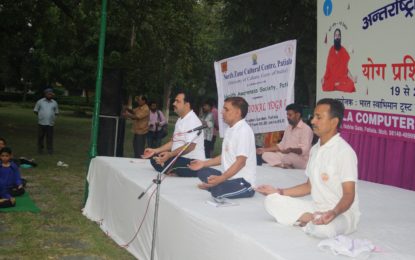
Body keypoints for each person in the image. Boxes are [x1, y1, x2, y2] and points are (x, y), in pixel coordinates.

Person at [256, 98, 360, 238]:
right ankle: (311, 218)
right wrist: (278, 191)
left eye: (319, 117)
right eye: (313, 116)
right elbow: (308, 186)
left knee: (324, 230)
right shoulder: (315, 149)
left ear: (334, 122)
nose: (312, 121)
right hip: (316, 207)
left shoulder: (344, 152)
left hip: (341, 214)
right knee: (271, 200)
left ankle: (309, 220)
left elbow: (349, 195)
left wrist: (333, 213)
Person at [189, 97, 256, 199]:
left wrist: (222, 178)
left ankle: (215, 186)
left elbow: (241, 162)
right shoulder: (230, 129)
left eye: (226, 109)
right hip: (227, 177)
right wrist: (203, 163)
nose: (222, 112)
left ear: (238, 112)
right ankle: (217, 184)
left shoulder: (243, 131)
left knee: (217, 191)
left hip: (243, 182)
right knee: (202, 171)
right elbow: (224, 156)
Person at [142, 91, 205, 177]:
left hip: (192, 161)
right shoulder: (180, 120)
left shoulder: (193, 120)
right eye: (175, 101)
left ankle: (173, 169)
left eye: (177, 101)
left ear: (187, 105)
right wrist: (155, 150)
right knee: (155, 158)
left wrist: (170, 155)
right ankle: (171, 169)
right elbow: (173, 142)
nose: (174, 103)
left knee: (167, 161)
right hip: (178, 158)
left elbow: (190, 146)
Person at [257, 104, 313, 169]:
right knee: (265, 154)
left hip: (300, 159)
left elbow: (304, 150)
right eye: (287, 115)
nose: (288, 117)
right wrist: (264, 149)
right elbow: (281, 145)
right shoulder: (288, 128)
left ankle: (284, 164)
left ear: (298, 115)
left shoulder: (306, 129)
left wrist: (291, 150)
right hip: (286, 156)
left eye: (290, 115)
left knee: (290, 156)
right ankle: (283, 165)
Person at [321, 28, 356, 93]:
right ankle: (336, 85)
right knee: (325, 84)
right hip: (332, 78)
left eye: (338, 35)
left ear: (340, 37)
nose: (337, 37)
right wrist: (324, 77)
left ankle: (337, 85)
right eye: (336, 35)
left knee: (350, 85)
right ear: (334, 37)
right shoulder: (331, 50)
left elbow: (345, 69)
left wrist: (352, 78)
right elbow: (328, 67)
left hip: (341, 79)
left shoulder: (343, 50)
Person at [34, 88, 59, 154]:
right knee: (40, 137)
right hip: (41, 123)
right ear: (45, 94)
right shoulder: (40, 102)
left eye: (51, 94)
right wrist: (41, 116)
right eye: (49, 94)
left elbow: (56, 112)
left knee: (49, 137)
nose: (50, 95)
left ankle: (49, 150)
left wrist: (53, 118)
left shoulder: (54, 102)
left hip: (50, 124)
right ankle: (40, 149)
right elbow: (35, 111)